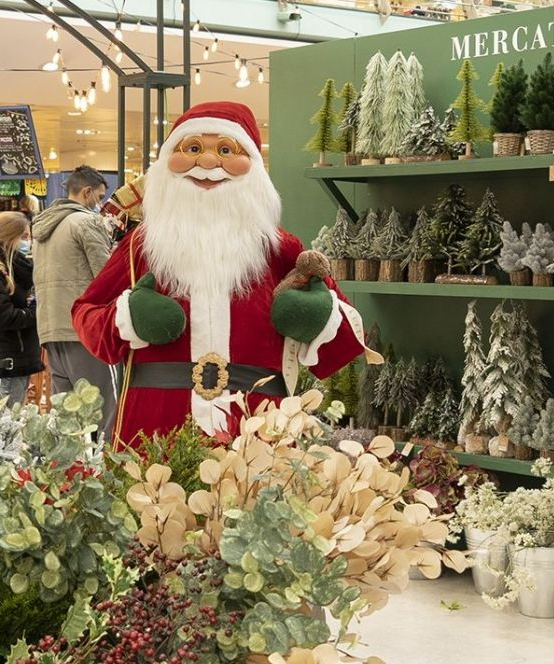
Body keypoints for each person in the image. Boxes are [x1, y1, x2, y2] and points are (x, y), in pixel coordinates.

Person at [72, 101, 372, 448]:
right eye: (193, 148)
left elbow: (345, 343)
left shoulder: (279, 249)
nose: (209, 163)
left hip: (255, 430)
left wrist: (315, 314)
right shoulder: (142, 247)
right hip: (156, 425)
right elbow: (85, 314)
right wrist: (127, 319)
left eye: (227, 150)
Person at [33, 165, 118, 433]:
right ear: (87, 192)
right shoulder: (86, 222)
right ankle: (105, 472)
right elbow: (106, 278)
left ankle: (73, 473)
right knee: (103, 411)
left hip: (50, 329)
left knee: (68, 417)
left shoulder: (43, 229)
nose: (101, 203)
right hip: (83, 330)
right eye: (100, 196)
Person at [0, 212, 43, 407]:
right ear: (8, 237)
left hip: (22, 356)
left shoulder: (18, 269)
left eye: (29, 237)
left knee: (11, 422)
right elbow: (3, 317)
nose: (28, 242)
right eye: (24, 237)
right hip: (8, 360)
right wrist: (36, 311)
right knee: (5, 427)